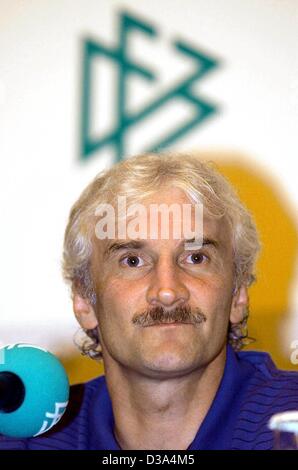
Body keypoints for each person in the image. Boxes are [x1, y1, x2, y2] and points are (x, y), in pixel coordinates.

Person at [1, 153, 298, 450]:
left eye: (196, 258)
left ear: (238, 293)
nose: (167, 291)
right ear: (84, 300)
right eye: (132, 261)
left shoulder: (290, 422)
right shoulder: (27, 440)